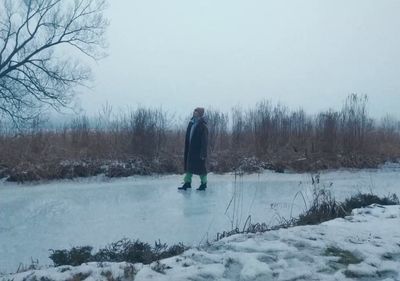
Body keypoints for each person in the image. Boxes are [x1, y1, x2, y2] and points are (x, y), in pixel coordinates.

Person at [178, 107, 209, 191]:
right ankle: (187, 183)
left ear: (200, 114)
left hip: (198, 151)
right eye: (194, 112)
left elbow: (204, 142)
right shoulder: (191, 123)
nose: (194, 114)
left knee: (201, 168)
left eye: (196, 113)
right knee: (189, 167)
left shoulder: (203, 126)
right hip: (190, 150)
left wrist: (203, 153)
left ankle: (204, 184)